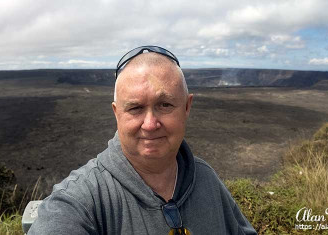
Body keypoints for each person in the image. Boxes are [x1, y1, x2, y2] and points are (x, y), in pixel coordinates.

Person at [28, 46, 257, 235]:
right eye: (135, 108)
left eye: (165, 105)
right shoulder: (79, 201)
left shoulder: (205, 179)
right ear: (117, 113)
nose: (150, 124)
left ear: (187, 107)